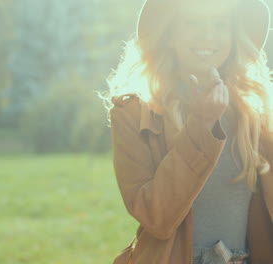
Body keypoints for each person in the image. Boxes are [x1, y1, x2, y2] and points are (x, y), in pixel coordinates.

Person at [103, 0, 273, 263]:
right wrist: (201, 126)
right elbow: (155, 217)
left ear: (233, 36)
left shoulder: (255, 114)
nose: (207, 36)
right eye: (193, 23)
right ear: (170, 35)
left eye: (220, 25)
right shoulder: (134, 114)